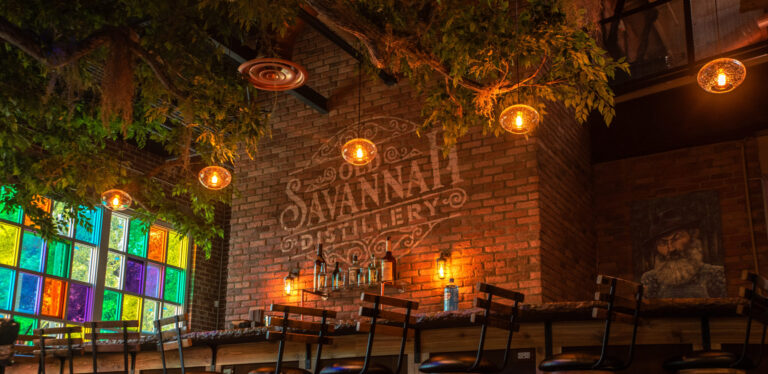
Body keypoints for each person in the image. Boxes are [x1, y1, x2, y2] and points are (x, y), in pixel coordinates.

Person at [641, 226, 726, 298]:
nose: (671, 248)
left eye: (676, 238)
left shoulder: (715, 274)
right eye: (662, 242)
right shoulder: (650, 279)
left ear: (692, 237)